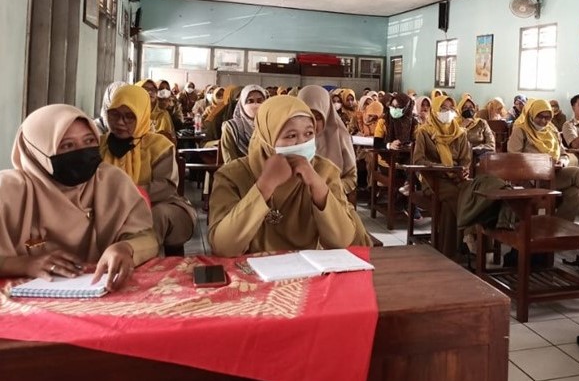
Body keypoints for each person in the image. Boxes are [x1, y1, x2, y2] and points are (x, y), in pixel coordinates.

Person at [0, 104, 158, 290]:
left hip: (101, 291)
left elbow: (147, 237)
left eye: (89, 141)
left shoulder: (111, 182)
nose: (82, 152)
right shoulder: (9, 191)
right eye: (67, 145)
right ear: (38, 151)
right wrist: (25, 264)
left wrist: (126, 248)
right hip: (24, 302)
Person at [208, 96, 370, 255]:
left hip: (307, 271)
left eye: (308, 134)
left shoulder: (325, 171)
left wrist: (317, 185)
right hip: (249, 272)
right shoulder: (233, 176)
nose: (301, 143)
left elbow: (341, 241)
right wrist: (264, 186)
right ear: (267, 138)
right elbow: (224, 247)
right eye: (291, 136)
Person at [101, 85, 196, 256]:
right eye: (114, 115)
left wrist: (125, 196)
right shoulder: (100, 146)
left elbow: (165, 187)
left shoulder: (159, 146)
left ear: (142, 114)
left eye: (129, 116)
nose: (120, 122)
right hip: (108, 205)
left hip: (158, 204)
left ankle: (134, 255)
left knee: (154, 216)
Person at [507, 99, 579, 221]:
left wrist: (563, 161)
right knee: (578, 174)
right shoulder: (521, 130)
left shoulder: (552, 131)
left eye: (548, 118)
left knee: (576, 194)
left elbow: (564, 153)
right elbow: (514, 157)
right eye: (540, 117)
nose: (544, 121)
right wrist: (541, 163)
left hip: (554, 175)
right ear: (532, 114)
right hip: (531, 178)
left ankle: (557, 228)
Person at [413, 95, 472, 258]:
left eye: (450, 109)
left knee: (467, 196)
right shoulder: (424, 132)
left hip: (456, 177)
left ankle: (447, 251)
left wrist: (463, 170)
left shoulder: (459, 133)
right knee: (458, 195)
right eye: (443, 109)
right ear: (435, 111)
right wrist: (442, 168)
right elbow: (418, 160)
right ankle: (470, 235)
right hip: (433, 179)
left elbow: (465, 159)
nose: (448, 112)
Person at [298, 85, 358, 195]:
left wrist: (329, 190)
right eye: (307, 116)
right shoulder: (289, 140)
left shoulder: (340, 137)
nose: (313, 123)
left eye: (318, 117)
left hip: (332, 200)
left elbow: (351, 178)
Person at [221, 84, 266, 163]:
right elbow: (230, 160)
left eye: (259, 101)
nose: (255, 105)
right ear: (241, 104)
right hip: (241, 171)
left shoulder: (270, 125)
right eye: (250, 101)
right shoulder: (231, 127)